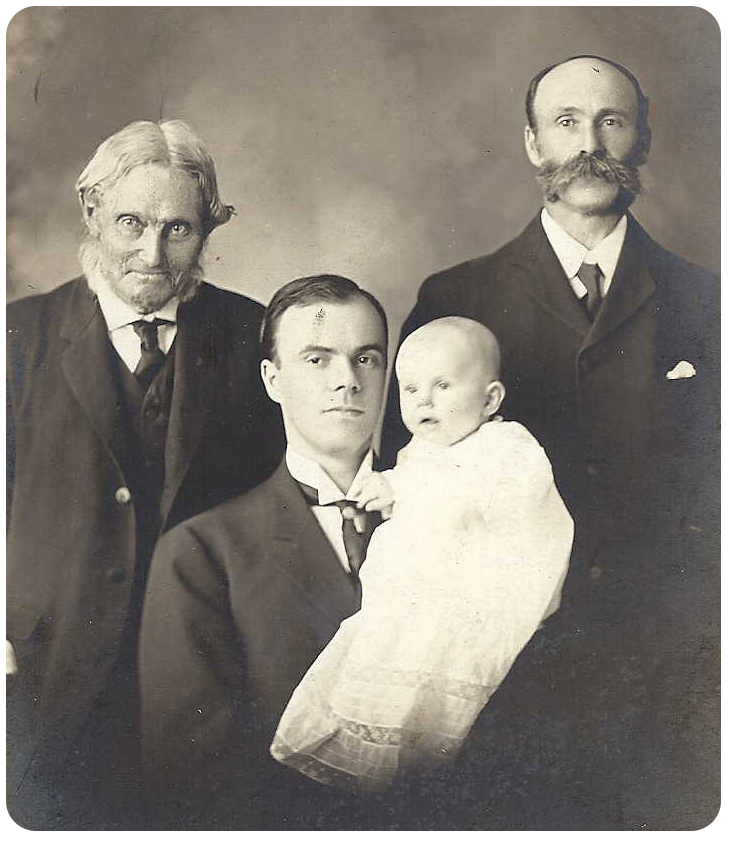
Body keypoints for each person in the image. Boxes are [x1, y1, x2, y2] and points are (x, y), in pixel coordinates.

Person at [381, 56, 720, 828]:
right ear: (533, 143)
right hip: (500, 663)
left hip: (667, 664)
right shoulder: (456, 297)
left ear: (641, 139)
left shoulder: (707, 300)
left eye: (611, 121)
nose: (590, 143)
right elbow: (411, 491)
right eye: (566, 122)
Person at [6, 120, 284, 829]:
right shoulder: (16, 338)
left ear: (207, 229)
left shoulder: (255, 337)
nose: (152, 255)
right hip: (44, 677)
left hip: (208, 679)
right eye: (131, 222)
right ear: (92, 209)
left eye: (178, 229)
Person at [271, 317, 573, 792]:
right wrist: (394, 489)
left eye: (442, 386)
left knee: (441, 692)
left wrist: (402, 490)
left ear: (490, 399)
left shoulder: (506, 446)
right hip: (416, 604)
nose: (423, 401)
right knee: (381, 675)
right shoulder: (419, 451)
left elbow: (484, 499)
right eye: (410, 389)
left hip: (478, 602)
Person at [139, 275, 394, 829]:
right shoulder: (201, 552)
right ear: (272, 380)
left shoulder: (451, 518)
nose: (347, 380)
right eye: (317, 360)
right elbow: (193, 777)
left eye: (366, 359)